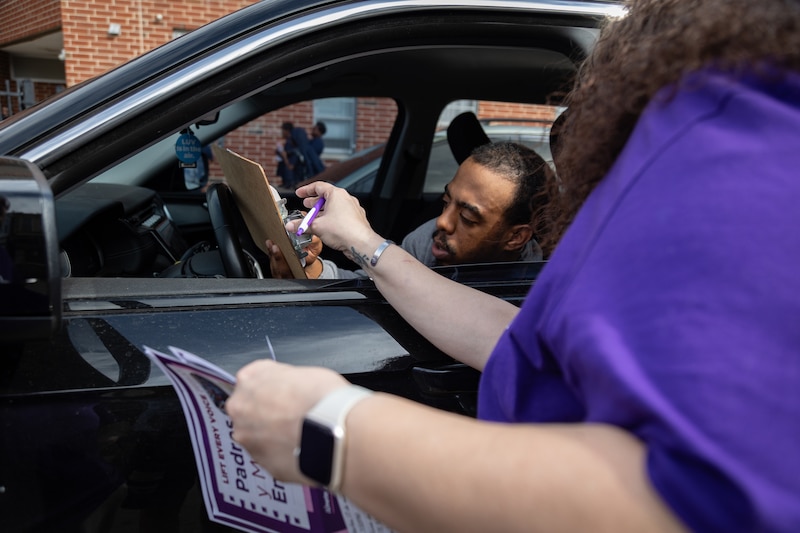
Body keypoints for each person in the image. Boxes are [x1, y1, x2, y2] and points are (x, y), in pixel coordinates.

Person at [227, 1, 800, 531]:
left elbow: (691, 501)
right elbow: (519, 341)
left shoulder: (749, 142)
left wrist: (332, 431)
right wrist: (364, 244)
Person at [266, 141, 548, 279]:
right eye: (446, 201)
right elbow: (375, 286)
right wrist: (309, 267)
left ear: (516, 238)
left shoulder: (532, 297)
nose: (442, 223)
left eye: (467, 217)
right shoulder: (428, 241)